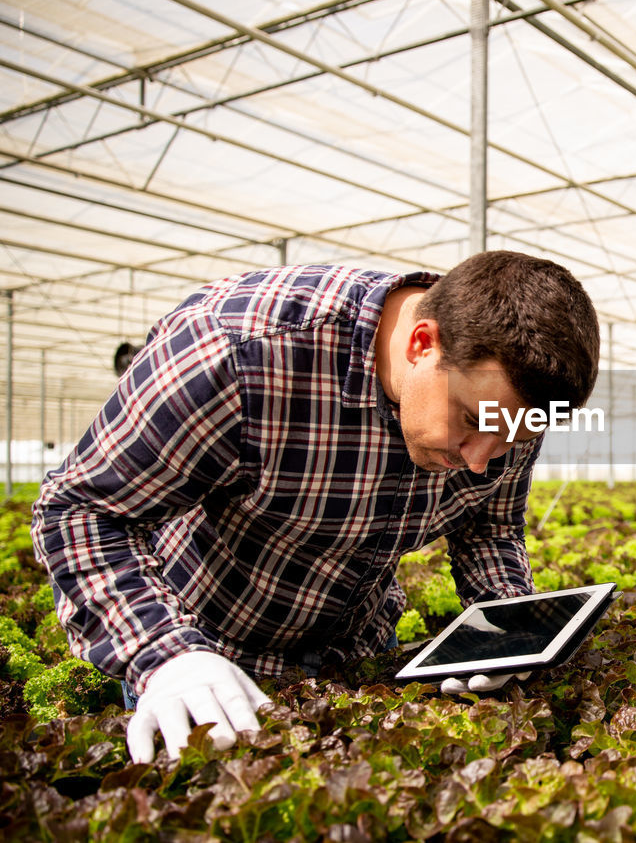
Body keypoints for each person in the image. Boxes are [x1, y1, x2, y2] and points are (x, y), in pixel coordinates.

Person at [30, 250, 599, 763]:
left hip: (361, 657)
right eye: (474, 422)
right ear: (422, 344)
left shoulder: (511, 399)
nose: (484, 458)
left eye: (515, 437)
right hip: (209, 661)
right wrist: (165, 656)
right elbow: (81, 510)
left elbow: (488, 526)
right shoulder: (237, 352)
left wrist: (506, 626)